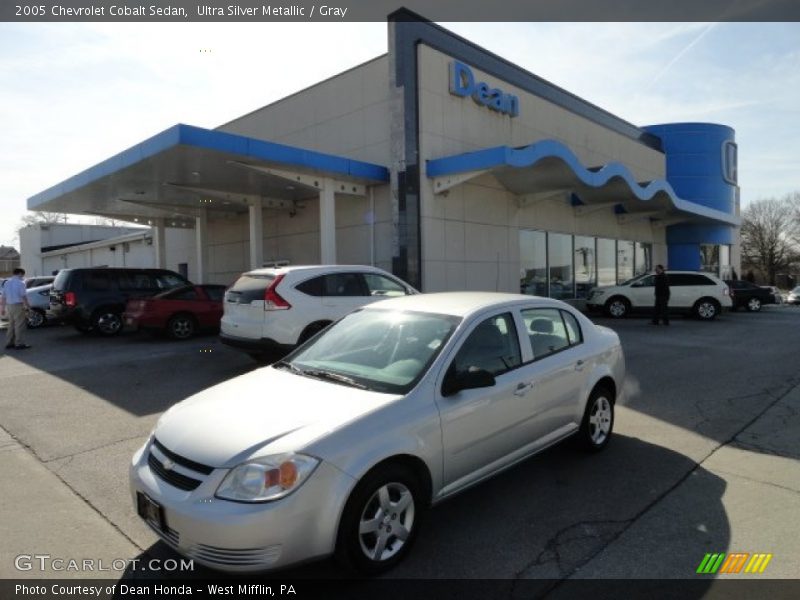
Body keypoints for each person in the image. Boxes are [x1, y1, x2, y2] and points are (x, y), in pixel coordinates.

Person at [1, 268, 31, 349]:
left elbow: (3, 297)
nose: (23, 276)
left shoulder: (7, 282)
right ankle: (19, 343)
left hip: (9, 306)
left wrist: (2, 309)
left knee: (11, 325)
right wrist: (28, 306)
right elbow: (23, 296)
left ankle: (9, 342)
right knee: (19, 325)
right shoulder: (21, 283)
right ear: (20, 273)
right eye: (22, 274)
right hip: (18, 305)